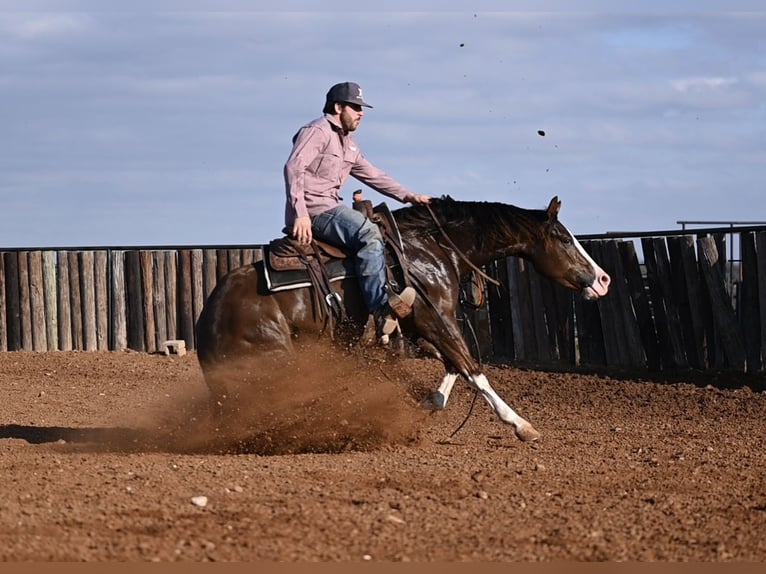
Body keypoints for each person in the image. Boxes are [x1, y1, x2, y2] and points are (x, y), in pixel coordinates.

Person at [284, 81, 431, 341]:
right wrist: (301, 214)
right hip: (316, 209)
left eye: (362, 108)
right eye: (355, 107)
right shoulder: (317, 131)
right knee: (369, 233)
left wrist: (408, 196)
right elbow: (294, 168)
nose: (361, 113)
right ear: (338, 107)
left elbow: (373, 174)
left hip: (331, 206)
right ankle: (379, 309)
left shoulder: (349, 144)